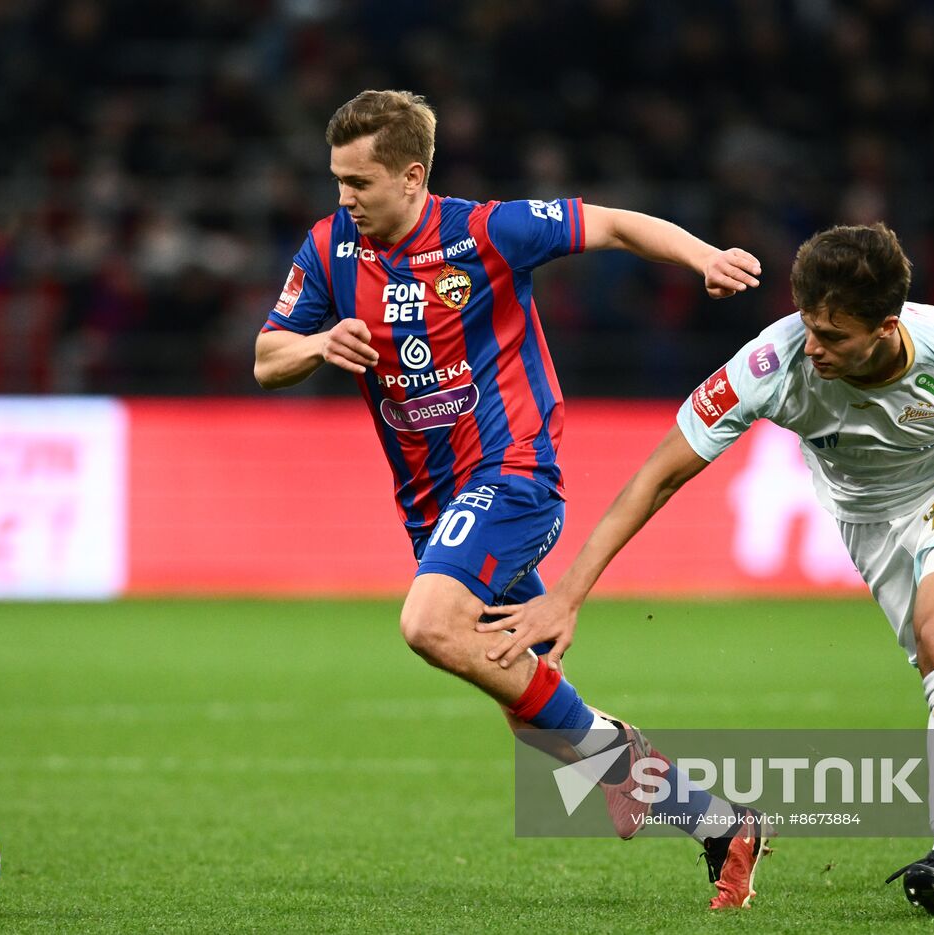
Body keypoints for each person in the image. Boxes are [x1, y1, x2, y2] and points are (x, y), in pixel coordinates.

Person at [479, 222, 934, 917]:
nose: (813, 345)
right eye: (807, 323)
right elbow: (656, 477)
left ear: (888, 326)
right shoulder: (773, 361)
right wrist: (567, 594)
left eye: (833, 335)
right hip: (866, 521)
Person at [254, 89, 769, 909]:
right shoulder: (328, 248)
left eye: (358, 182)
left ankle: (619, 755)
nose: (342, 199)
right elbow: (265, 358)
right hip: (430, 507)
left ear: (412, 176)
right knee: (522, 699)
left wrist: (704, 255)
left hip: (513, 473)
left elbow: (616, 223)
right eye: (337, 181)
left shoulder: (484, 231)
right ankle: (718, 823)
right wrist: (316, 343)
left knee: (427, 623)